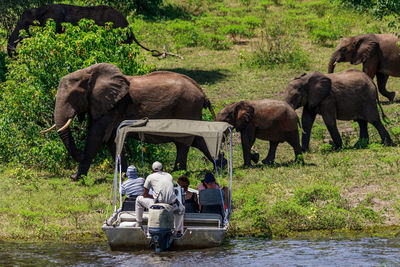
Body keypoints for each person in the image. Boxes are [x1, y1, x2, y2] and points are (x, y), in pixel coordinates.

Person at [135, 161, 185, 235]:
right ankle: (177, 231)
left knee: (138, 199)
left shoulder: (150, 177)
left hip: (157, 205)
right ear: (163, 169)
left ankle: (138, 224)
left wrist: (153, 196)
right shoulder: (169, 176)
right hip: (172, 205)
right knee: (181, 209)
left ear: (152, 170)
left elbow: (145, 195)